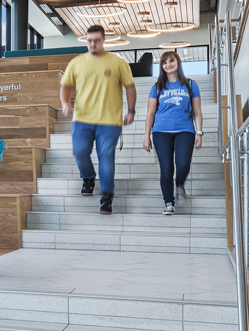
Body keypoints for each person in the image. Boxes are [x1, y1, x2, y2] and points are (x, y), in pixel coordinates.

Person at [59, 24, 137, 215]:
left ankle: (107, 196)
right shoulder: (76, 62)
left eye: (97, 40)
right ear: (87, 41)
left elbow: (130, 87)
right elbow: (65, 85)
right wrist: (65, 103)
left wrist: (131, 111)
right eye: (90, 40)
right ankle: (88, 178)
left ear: (104, 41)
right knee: (80, 152)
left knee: (106, 157)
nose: (93, 44)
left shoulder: (117, 63)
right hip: (82, 119)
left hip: (110, 121)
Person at [143, 50, 203, 215]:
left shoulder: (191, 85)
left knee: (183, 164)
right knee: (166, 168)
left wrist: (199, 132)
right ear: (162, 66)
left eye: (171, 61)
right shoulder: (156, 87)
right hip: (161, 131)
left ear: (178, 63)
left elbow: (197, 111)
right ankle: (169, 202)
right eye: (164, 62)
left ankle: (180, 183)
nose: (168, 64)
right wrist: (146, 136)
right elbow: (150, 114)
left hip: (185, 130)